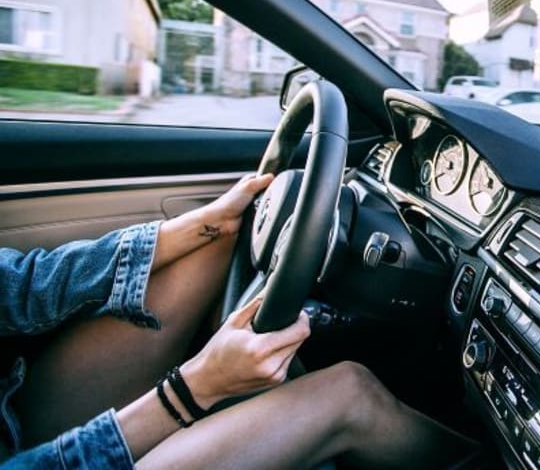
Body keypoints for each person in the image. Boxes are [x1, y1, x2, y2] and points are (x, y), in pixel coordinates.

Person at [0, 174, 474, 469]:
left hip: (14, 419)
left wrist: (202, 225)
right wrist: (192, 391)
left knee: (210, 245)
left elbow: (22, 287)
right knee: (348, 391)